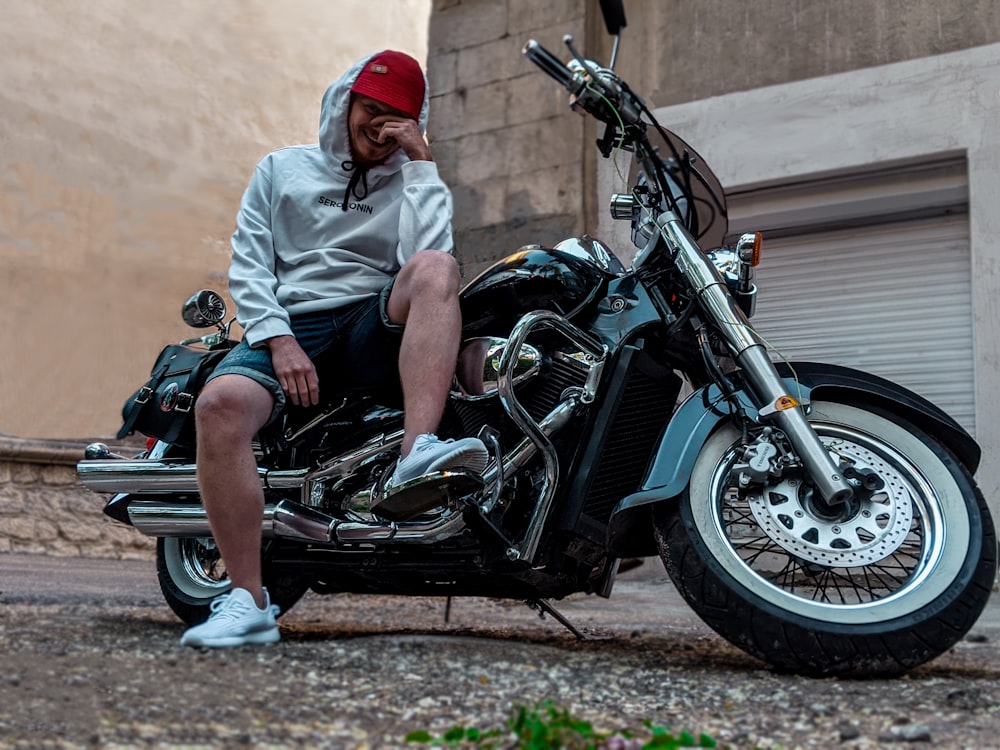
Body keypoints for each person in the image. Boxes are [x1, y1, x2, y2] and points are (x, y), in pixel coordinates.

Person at [180, 50, 488, 648]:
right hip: (292, 324)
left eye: (397, 119)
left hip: (370, 323)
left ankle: (415, 452)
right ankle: (247, 601)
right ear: (345, 103)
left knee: (437, 267)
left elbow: (430, 268)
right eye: (371, 111)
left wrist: (421, 163)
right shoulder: (282, 169)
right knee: (219, 406)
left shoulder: (411, 178)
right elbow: (248, 265)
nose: (380, 129)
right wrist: (278, 338)